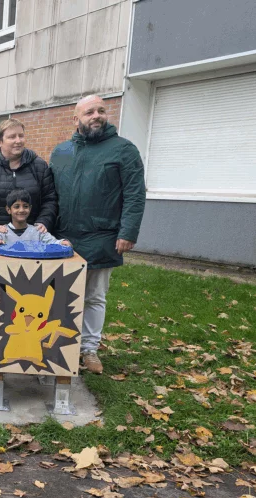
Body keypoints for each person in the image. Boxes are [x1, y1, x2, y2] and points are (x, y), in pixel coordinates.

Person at [50, 94, 146, 375]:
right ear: (76, 118)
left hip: (102, 235)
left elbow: (135, 194)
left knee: (94, 296)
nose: (96, 116)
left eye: (101, 110)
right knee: (60, 295)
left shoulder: (123, 150)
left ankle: (89, 349)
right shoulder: (62, 152)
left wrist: (128, 231)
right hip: (64, 236)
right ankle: (60, 343)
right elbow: (50, 194)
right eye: (89, 111)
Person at [0, 118, 57, 359]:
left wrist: (44, 223)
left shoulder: (39, 166)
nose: (18, 140)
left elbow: (50, 199)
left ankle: (31, 338)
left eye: (21, 135)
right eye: (11, 137)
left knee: (30, 294)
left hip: (33, 246)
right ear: (0, 141)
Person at [0, 190, 71, 249]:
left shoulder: (38, 231)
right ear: (8, 210)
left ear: (30, 208)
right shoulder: (2, 231)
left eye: (25, 206)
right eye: (16, 206)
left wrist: (61, 242)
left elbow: (52, 242)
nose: (21, 210)